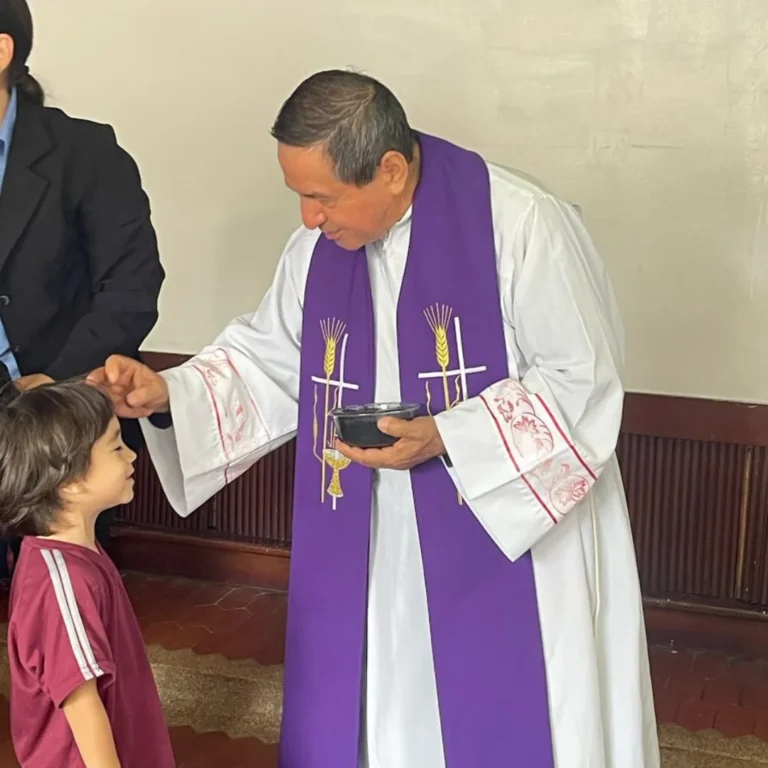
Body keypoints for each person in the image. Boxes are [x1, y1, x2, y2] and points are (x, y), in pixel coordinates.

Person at [90, 70, 660, 767]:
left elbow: (583, 378)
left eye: (320, 196)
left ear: (390, 170)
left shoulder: (522, 224)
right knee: (388, 710)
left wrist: (448, 435)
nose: (307, 218)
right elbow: (272, 360)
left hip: (510, 530)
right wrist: (167, 394)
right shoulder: (320, 249)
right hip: (377, 536)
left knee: (515, 717)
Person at [0, 0, 165, 576]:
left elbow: (132, 285)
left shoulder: (85, 152)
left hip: (60, 398)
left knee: (55, 596)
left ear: (2, 51)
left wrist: (58, 381)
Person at [1, 381, 174, 767]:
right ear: (71, 481)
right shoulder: (61, 582)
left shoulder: (80, 553)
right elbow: (82, 704)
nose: (131, 455)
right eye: (116, 447)